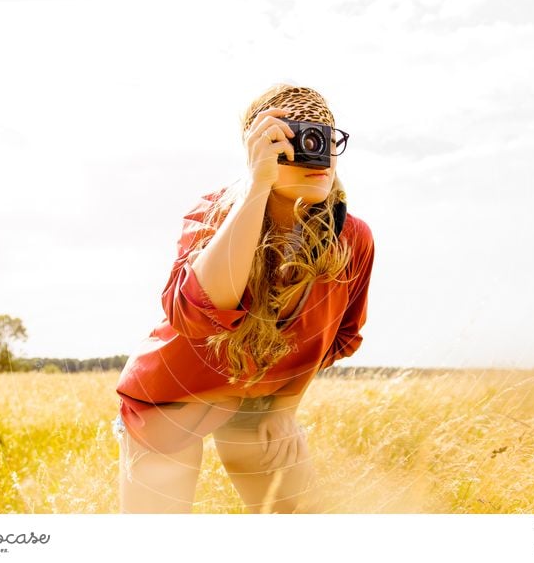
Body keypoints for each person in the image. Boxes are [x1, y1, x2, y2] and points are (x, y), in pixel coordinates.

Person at [112, 84, 375, 514]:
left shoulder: (352, 238)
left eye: (326, 138)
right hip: (174, 392)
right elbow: (195, 313)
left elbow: (338, 337)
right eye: (297, 139)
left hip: (263, 399)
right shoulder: (215, 213)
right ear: (259, 148)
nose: (318, 153)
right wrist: (257, 188)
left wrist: (285, 407)